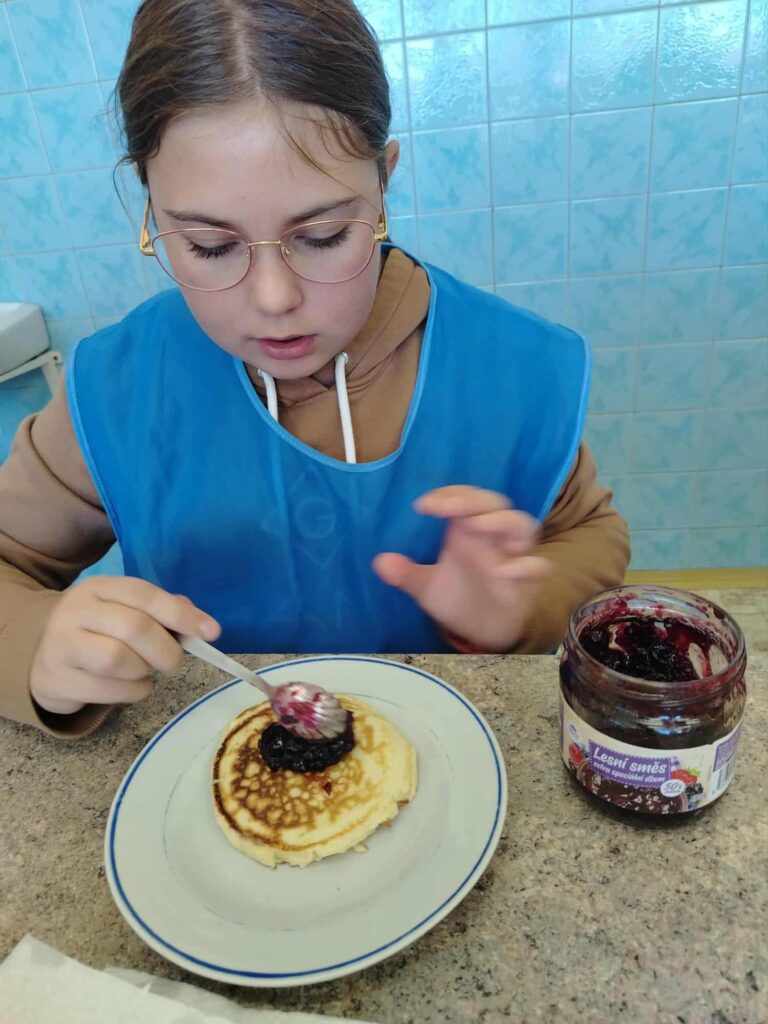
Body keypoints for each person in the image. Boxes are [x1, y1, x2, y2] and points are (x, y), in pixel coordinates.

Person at [0, 0, 629, 741]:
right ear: (150, 207)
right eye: (209, 246)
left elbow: (589, 535)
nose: (275, 300)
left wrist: (525, 606)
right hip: (214, 774)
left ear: (384, 181)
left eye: (324, 235)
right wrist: (36, 646)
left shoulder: (510, 365)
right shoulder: (116, 387)